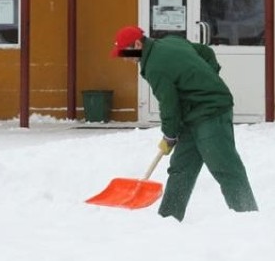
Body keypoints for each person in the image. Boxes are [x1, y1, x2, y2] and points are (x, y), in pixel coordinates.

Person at [110, 25, 258, 221]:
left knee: (224, 165)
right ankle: (168, 219)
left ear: (137, 44)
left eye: (125, 52)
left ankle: (247, 217)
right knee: (181, 168)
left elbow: (168, 104)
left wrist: (169, 134)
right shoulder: (171, 42)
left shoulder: (155, 66)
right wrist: (206, 76)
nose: (124, 58)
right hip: (190, 114)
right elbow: (206, 52)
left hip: (211, 110)